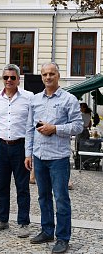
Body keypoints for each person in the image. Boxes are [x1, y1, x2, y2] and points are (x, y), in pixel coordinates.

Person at [25, 62, 83, 254]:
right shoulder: (35, 100)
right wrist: (28, 153)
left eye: (51, 73)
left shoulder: (69, 99)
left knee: (61, 199)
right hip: (39, 156)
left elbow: (78, 126)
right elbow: (29, 129)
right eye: (44, 74)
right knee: (43, 197)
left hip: (58, 157)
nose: (48, 77)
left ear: (58, 75)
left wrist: (55, 128)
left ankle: (63, 238)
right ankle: (47, 230)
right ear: (41, 77)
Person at [0, 64, 33, 238]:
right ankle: (2, 219)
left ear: (18, 79)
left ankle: (23, 223)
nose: (9, 80)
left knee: (22, 186)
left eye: (12, 78)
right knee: (2, 185)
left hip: (20, 146)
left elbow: (32, 123)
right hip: (1, 145)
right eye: (6, 77)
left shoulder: (29, 97)